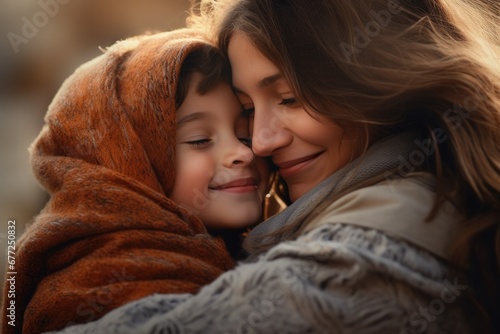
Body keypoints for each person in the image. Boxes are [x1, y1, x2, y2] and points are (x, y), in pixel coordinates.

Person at [51, 0, 500, 333]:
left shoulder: (375, 245)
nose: (260, 142)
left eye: (288, 98)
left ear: (379, 79)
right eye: (249, 109)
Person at [1, 29, 271, 334]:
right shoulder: (101, 285)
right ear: (127, 163)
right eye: (200, 139)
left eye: (245, 133)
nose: (242, 152)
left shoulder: (266, 249)